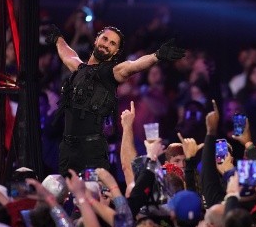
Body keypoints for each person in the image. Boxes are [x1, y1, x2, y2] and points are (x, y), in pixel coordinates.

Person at [45, 24, 185, 173]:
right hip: (66, 150)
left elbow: (133, 65)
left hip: (92, 156)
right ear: (96, 40)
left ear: (116, 52)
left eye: (112, 43)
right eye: (105, 39)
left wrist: (157, 56)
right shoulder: (80, 69)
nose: (106, 44)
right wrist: (58, 38)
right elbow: (69, 55)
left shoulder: (113, 73)